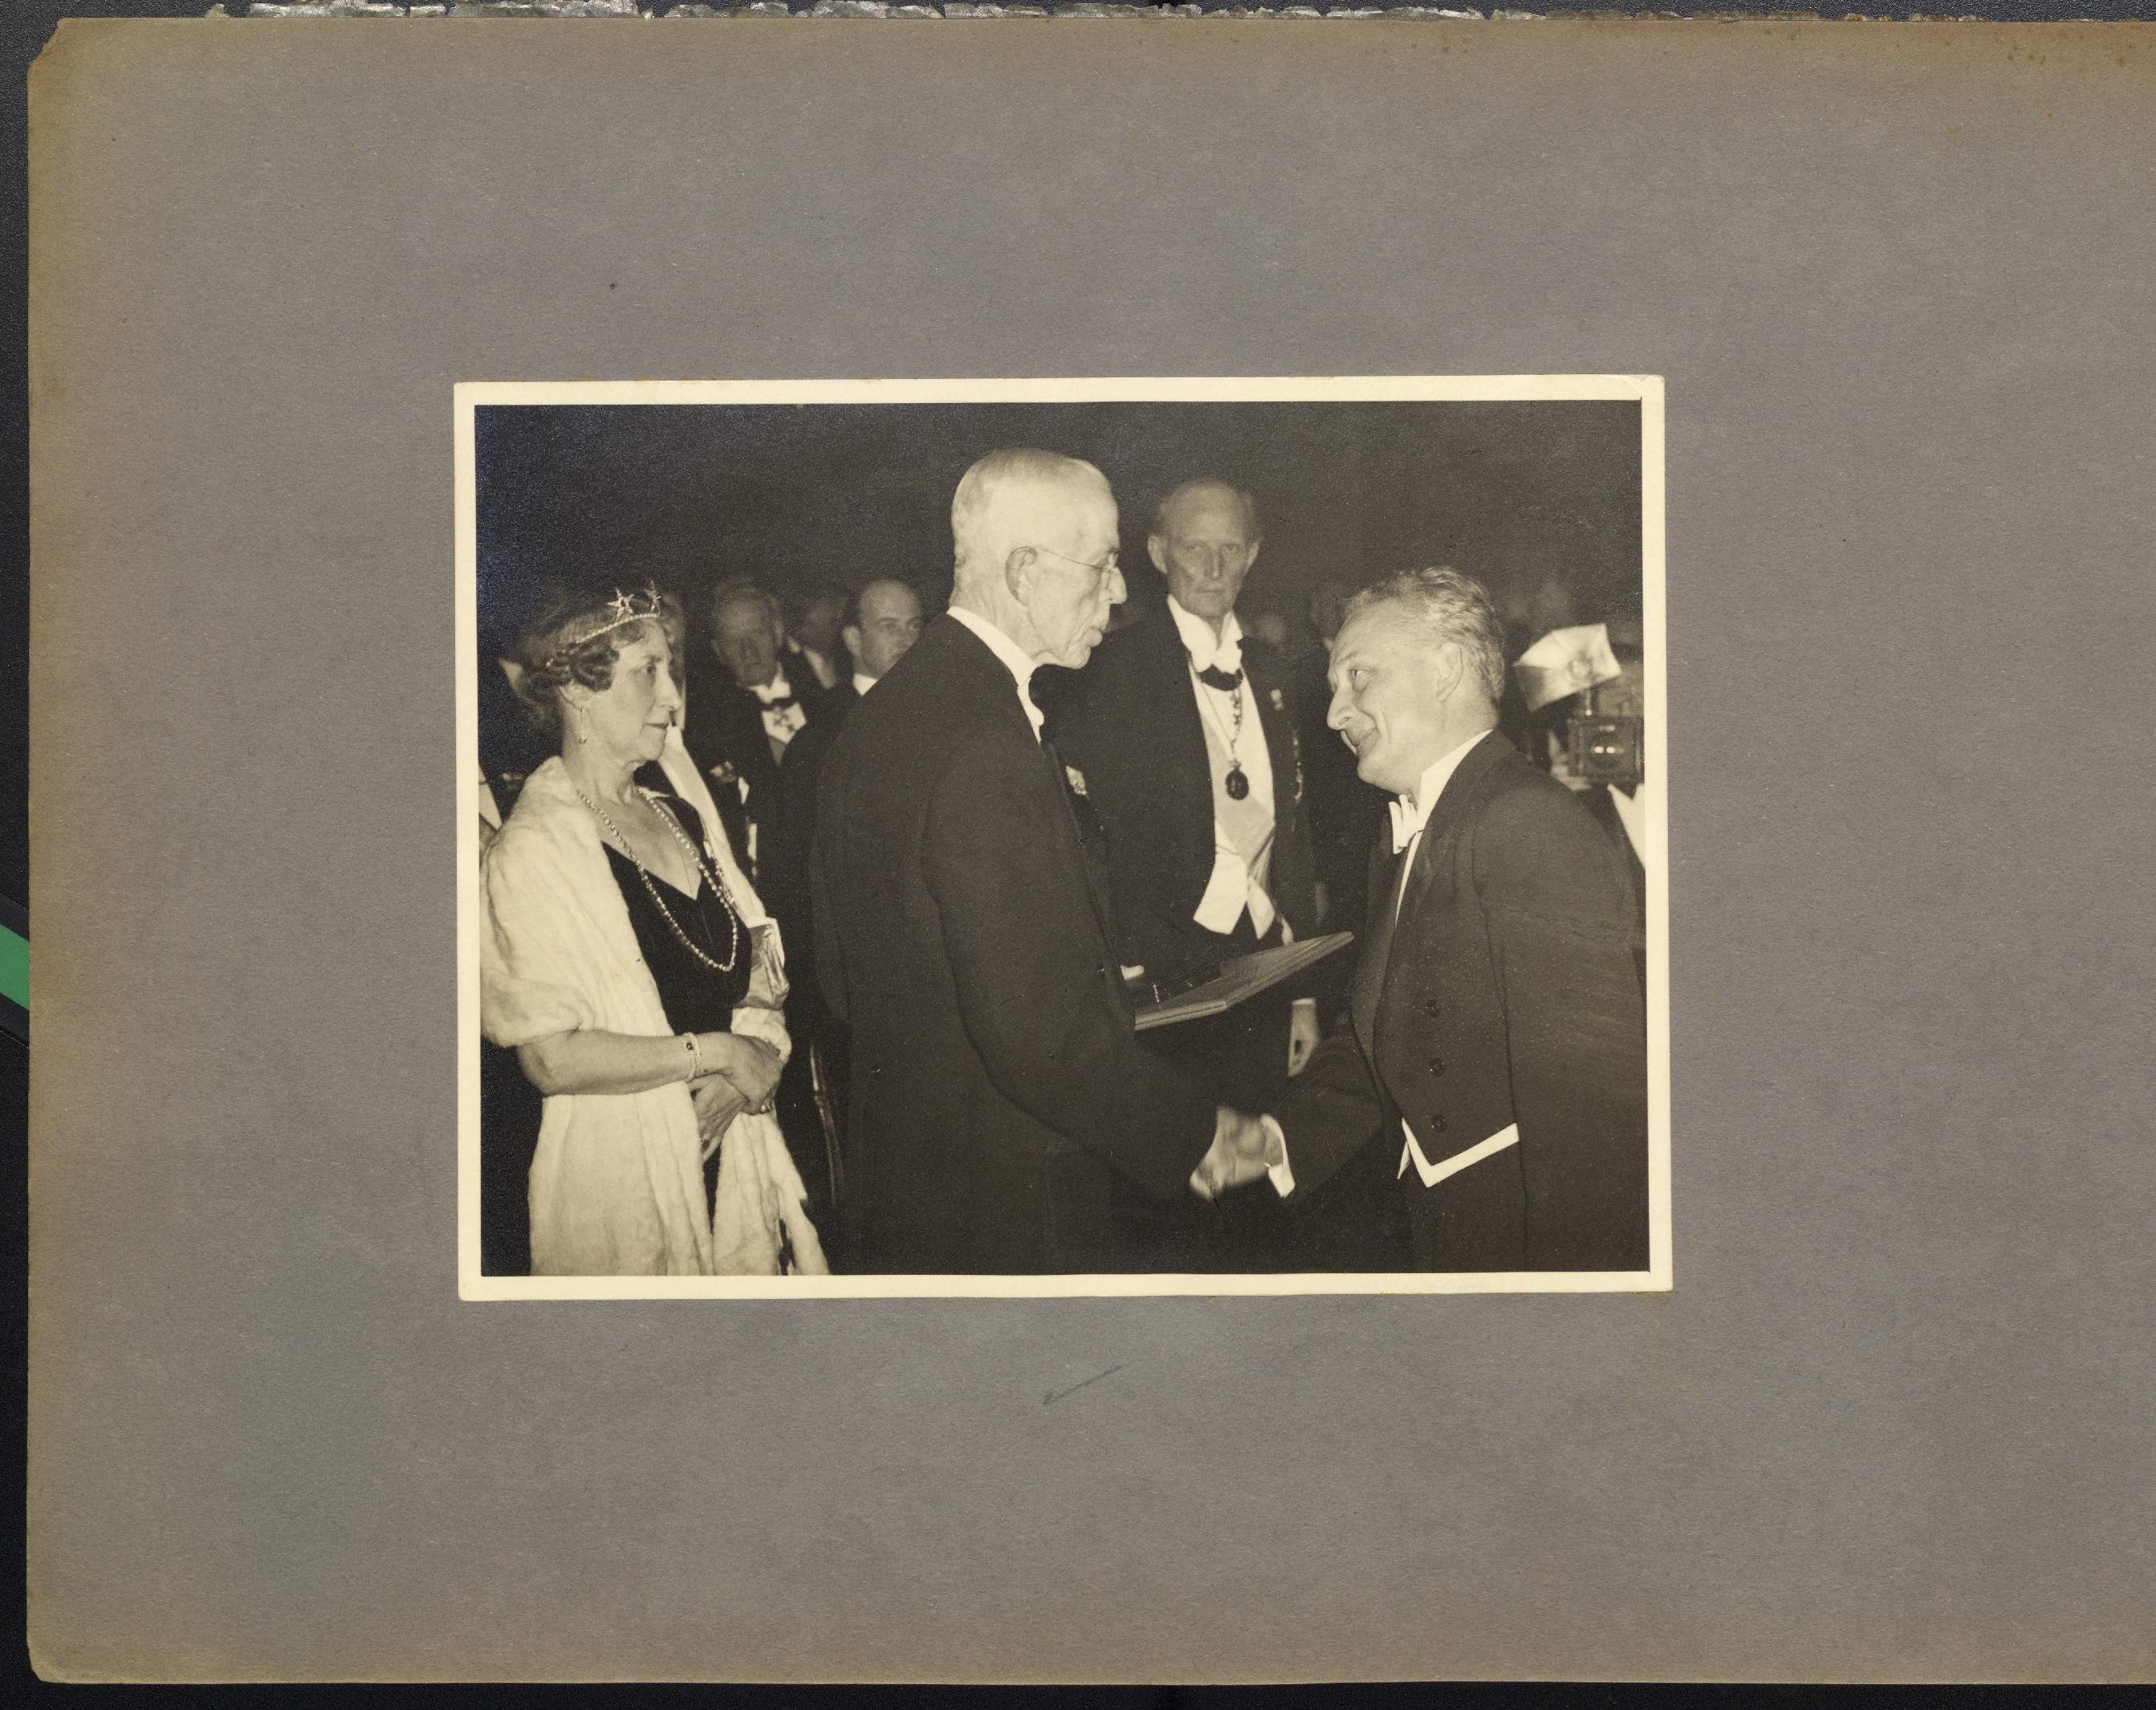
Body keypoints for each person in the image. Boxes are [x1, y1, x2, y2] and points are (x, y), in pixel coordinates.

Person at [812, 449, 1281, 1274]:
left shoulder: (886, 715)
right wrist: (1190, 1132)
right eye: (1102, 565)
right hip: (1010, 1190)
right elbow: (1038, 1033)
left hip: (914, 1172)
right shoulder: (986, 742)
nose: (1122, 590)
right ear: (1025, 571)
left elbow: (840, 978)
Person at [1273, 567, 1649, 1272]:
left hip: (1524, 1234)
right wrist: (1278, 1143)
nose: (1334, 715)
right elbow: (1387, 1024)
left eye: (1359, 677)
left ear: (1445, 669)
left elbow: (1591, 1119)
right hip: (1444, 1215)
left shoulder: (1524, 821)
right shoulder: (1407, 830)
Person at [481, 583, 826, 1276]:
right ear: (578, 691)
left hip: (735, 1160)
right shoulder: (534, 850)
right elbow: (550, 1059)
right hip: (625, 1182)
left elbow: (759, 971)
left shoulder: (678, 816)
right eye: (648, 672)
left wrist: (749, 1058)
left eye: (673, 669)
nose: (672, 697)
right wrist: (717, 1054)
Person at [1052, 478, 1324, 1268]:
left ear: (1253, 555)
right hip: (1166, 995)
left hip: (1266, 976)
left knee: (1266, 1220)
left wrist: (1305, 991)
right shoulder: (1108, 667)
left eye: (1229, 548)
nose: (1212, 565)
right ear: (1158, 552)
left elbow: (1296, 835)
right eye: (1194, 547)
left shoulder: (1273, 668)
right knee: (1172, 1230)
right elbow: (1088, 843)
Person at [773, 576, 925, 1232]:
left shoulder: (948, 715)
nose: (907, 640)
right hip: (865, 996)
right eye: (890, 627)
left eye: (916, 626)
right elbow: (797, 886)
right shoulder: (820, 741)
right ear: (854, 639)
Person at [679, 580, 828, 899]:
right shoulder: (708, 728)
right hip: (772, 886)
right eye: (734, 641)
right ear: (718, 652)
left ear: (777, 633)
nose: (748, 650)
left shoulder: (825, 700)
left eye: (757, 634)